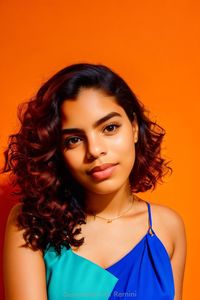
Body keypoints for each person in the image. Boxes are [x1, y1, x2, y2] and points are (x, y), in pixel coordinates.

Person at [2, 63, 186, 300]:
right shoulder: (31, 223)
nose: (95, 150)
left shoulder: (167, 228)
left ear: (134, 128)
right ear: (57, 150)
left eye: (110, 128)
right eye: (74, 139)